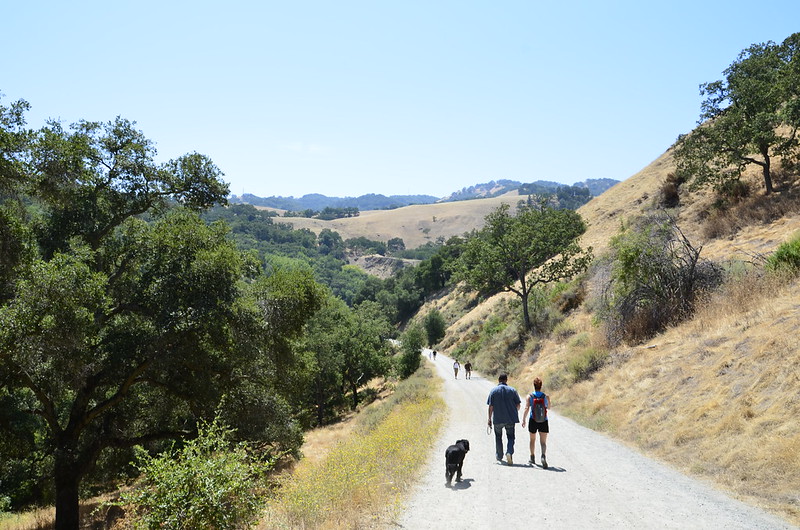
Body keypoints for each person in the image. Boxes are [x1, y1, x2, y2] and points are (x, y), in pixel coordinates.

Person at [487, 373, 521, 465]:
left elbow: (491, 406)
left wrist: (489, 419)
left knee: (498, 437)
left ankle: (499, 455)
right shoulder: (513, 390)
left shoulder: (493, 391)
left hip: (497, 419)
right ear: (506, 380)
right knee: (510, 437)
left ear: (498, 380)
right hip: (510, 419)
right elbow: (518, 405)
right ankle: (509, 452)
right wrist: (514, 410)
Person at [521, 376, 550, 468]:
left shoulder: (530, 396)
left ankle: (532, 457)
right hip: (543, 420)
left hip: (533, 420)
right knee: (543, 442)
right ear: (541, 386)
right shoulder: (545, 396)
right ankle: (543, 456)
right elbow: (548, 407)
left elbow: (526, 408)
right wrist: (548, 400)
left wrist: (524, 419)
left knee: (532, 440)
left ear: (534, 385)